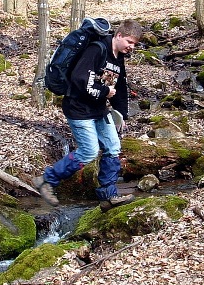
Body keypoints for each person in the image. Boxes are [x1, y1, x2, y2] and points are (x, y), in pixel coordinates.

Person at [33, 19, 143, 212]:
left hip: (98, 109)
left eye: (134, 44)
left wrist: (121, 114)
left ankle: (109, 197)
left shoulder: (118, 57)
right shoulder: (96, 50)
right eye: (129, 42)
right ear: (118, 36)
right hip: (78, 108)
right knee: (89, 151)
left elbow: (120, 86)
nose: (131, 47)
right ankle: (46, 180)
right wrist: (104, 92)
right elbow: (80, 80)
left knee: (113, 147)